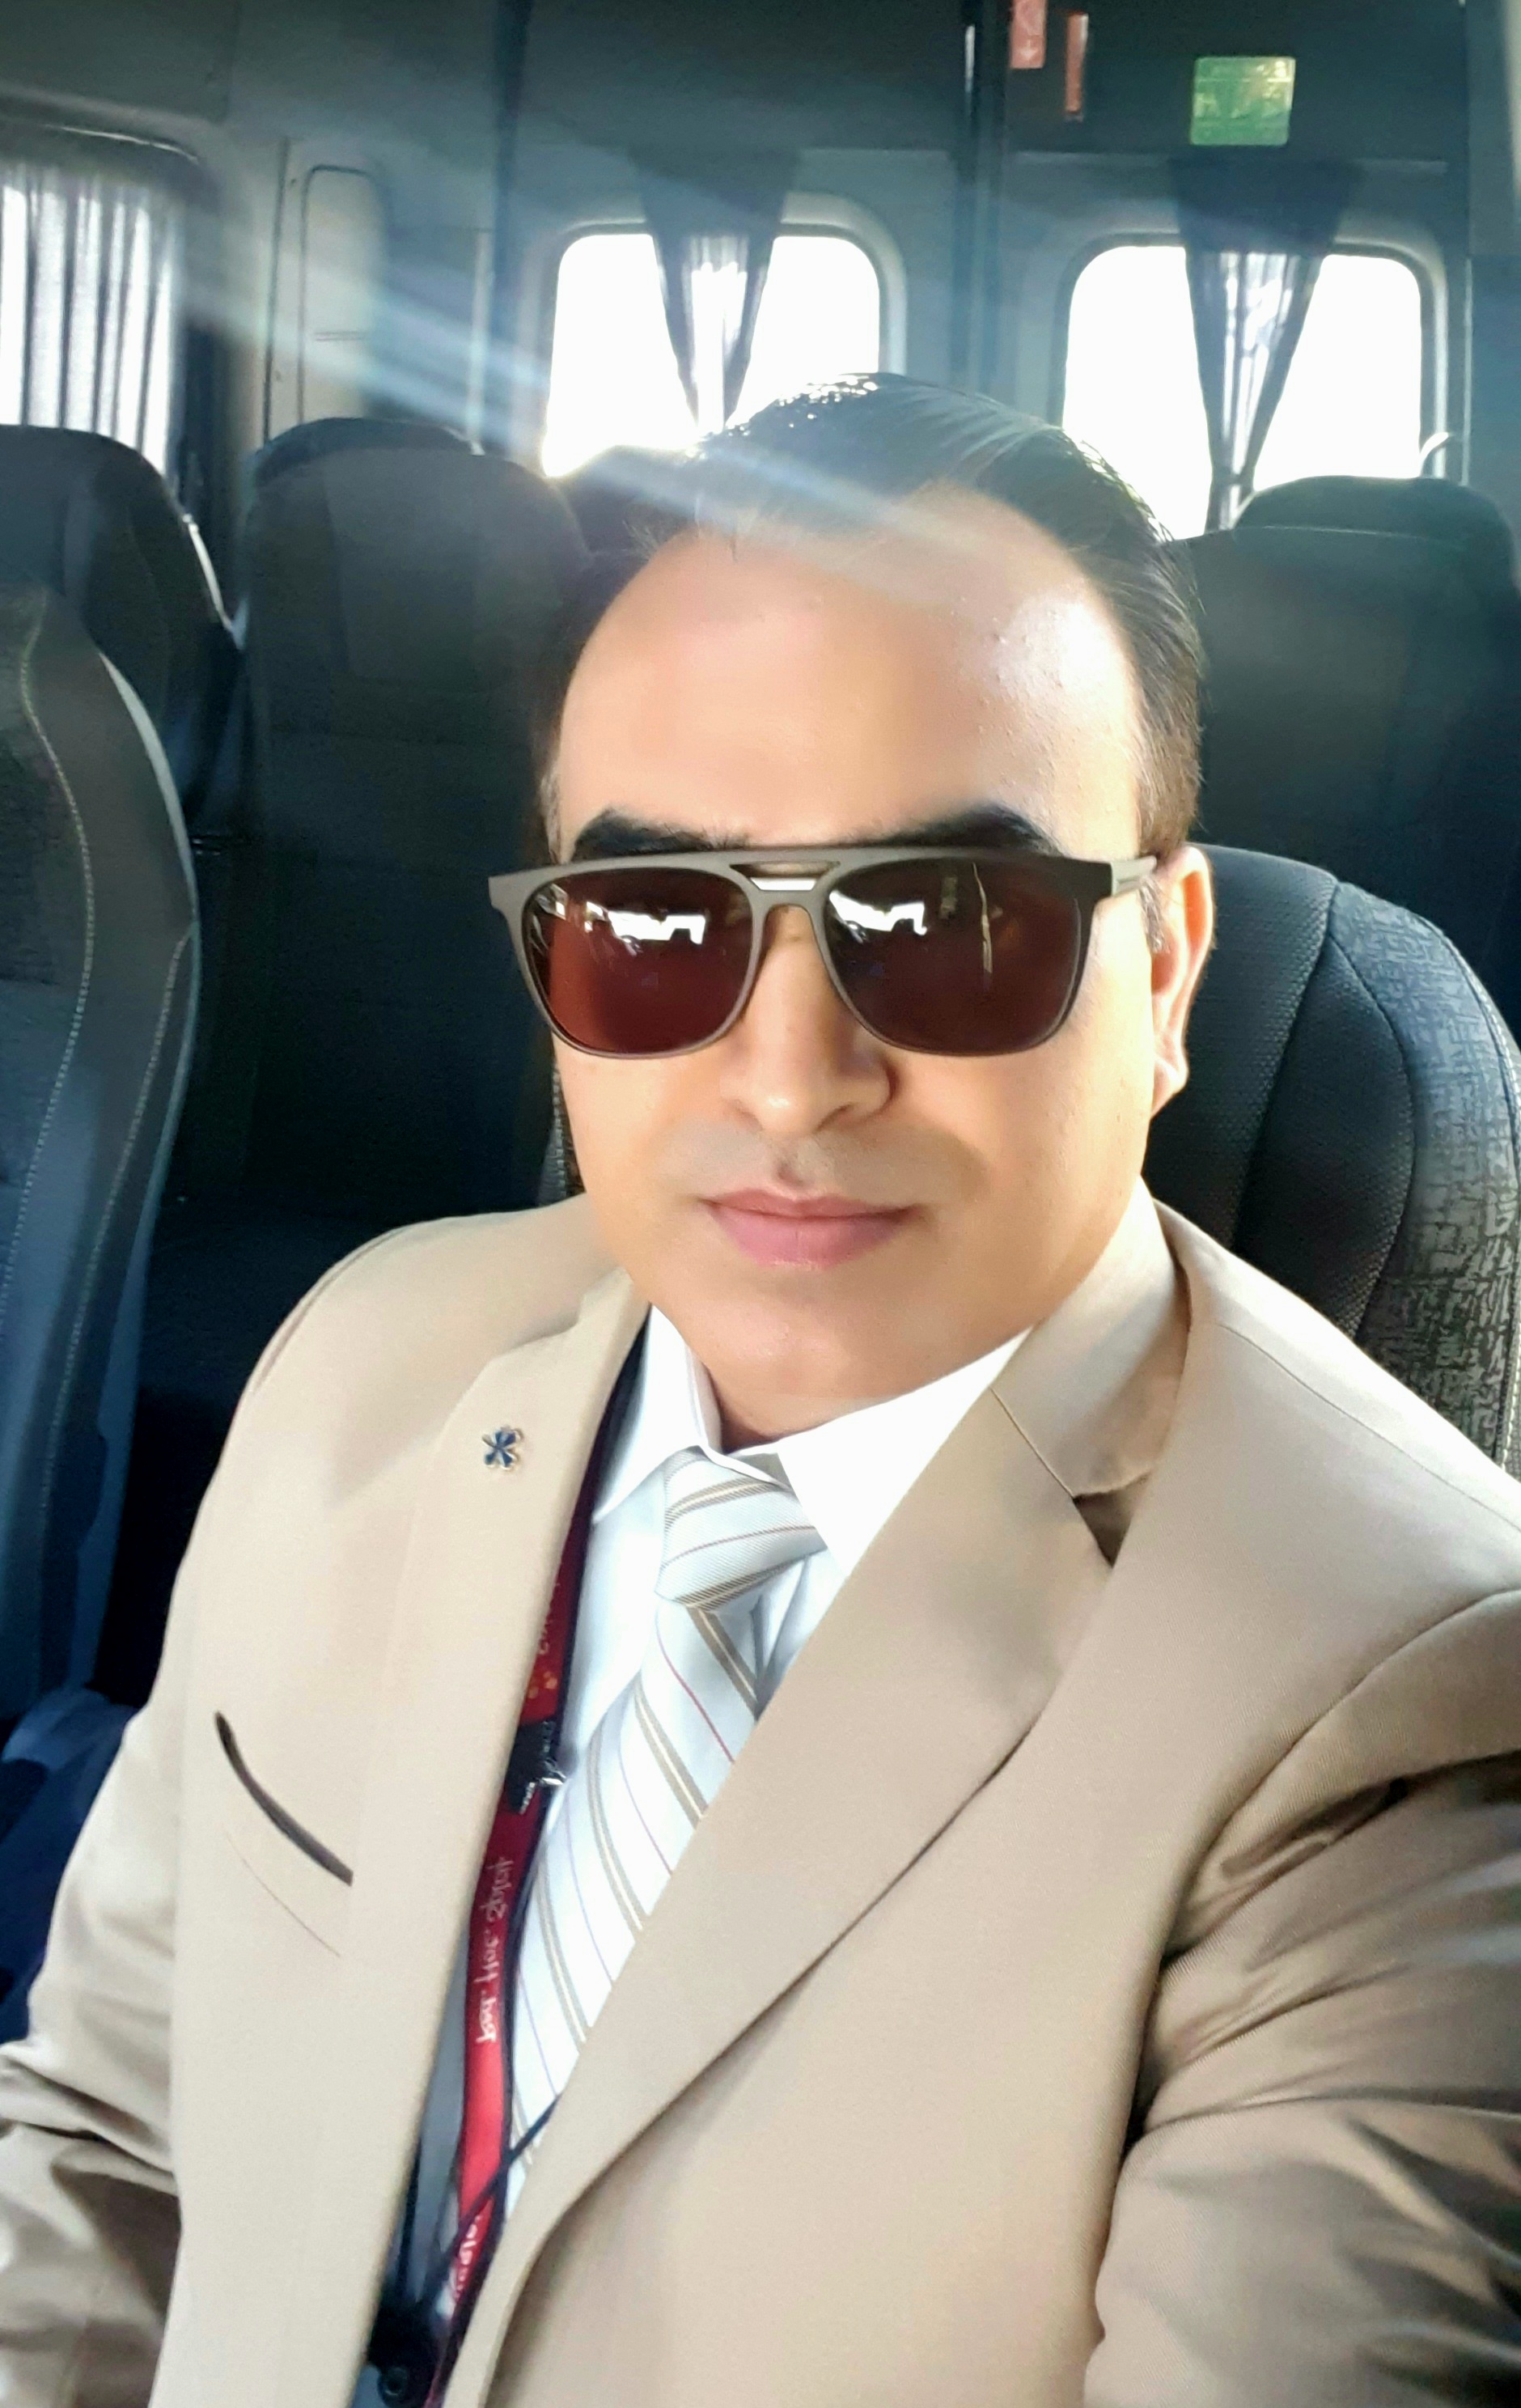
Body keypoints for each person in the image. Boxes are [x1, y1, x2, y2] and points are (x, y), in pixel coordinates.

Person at [1, 376, 1519, 2408]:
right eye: (651, 925)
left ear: (1161, 972)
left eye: (951, 923)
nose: (792, 1080)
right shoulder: (366, 1364)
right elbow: (108, 2145)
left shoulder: (1407, 1703)